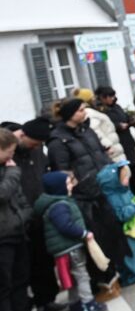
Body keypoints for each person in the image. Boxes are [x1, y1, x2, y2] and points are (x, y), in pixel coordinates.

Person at [47, 100, 127, 292]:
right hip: (83, 196)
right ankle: (103, 282)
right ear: (71, 114)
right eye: (81, 110)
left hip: (103, 189)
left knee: (113, 232)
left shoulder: (86, 130)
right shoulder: (58, 141)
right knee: (97, 238)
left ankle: (119, 274)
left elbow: (100, 153)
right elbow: (63, 171)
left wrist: (111, 166)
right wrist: (80, 184)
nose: (85, 113)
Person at [3, 119, 59, 311]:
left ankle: (46, 300)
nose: (36, 146)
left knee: (44, 262)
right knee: (20, 272)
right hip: (18, 220)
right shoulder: (9, 155)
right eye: (34, 142)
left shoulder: (36, 151)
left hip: (38, 213)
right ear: (22, 136)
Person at [34, 172, 105, 311]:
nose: (71, 185)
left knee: (72, 279)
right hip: (71, 248)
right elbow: (65, 226)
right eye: (67, 183)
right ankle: (88, 304)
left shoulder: (55, 204)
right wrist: (84, 233)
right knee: (82, 276)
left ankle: (75, 304)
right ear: (58, 188)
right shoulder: (59, 205)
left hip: (64, 250)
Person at [0, 128, 32, 311]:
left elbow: (18, 197)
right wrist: (12, 173)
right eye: (9, 152)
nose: (12, 156)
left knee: (21, 281)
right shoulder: (11, 171)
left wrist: (25, 215)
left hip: (17, 231)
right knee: (5, 286)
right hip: (2, 238)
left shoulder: (7, 168)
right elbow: (2, 194)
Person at [92, 87, 135, 195]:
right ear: (102, 98)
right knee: (123, 170)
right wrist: (118, 126)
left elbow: (126, 117)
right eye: (109, 96)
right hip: (117, 143)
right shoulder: (100, 111)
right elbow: (106, 127)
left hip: (127, 141)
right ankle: (128, 195)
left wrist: (131, 120)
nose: (112, 98)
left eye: (113, 96)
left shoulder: (116, 106)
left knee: (134, 168)